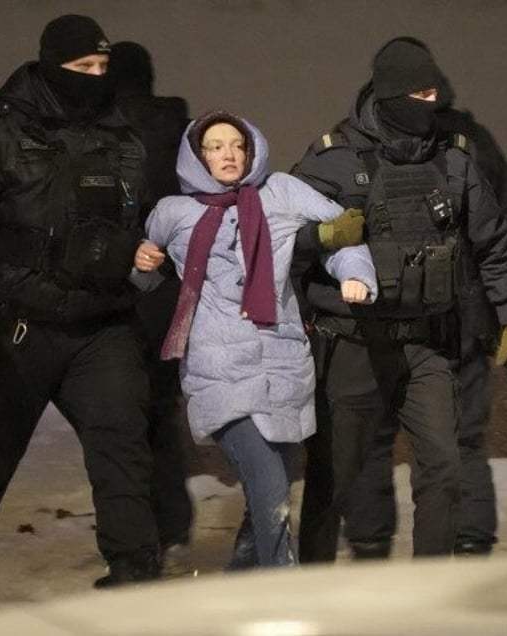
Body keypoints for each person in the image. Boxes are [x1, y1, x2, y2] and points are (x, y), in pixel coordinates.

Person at [0, 14, 161, 624]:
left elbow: (137, 217)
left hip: (101, 323)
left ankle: (134, 579)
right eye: (82, 69)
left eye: (103, 68)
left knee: (123, 449)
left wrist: (142, 250)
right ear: (51, 67)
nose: (94, 79)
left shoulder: (124, 136)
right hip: (19, 321)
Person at [291, 37, 507, 559]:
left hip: (428, 342)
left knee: (444, 469)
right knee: (335, 475)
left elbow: (494, 243)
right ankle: (305, 584)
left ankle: (429, 590)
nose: (430, 105)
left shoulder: (453, 160)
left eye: (433, 93)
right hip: (354, 342)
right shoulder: (333, 159)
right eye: (418, 94)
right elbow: (279, 239)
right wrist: (323, 239)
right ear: (392, 95)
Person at [139, 110, 377, 568]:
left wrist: (355, 276)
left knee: (275, 485)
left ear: (252, 151)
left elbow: (344, 236)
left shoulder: (281, 192)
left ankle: (241, 589)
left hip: (282, 362)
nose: (228, 154)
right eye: (215, 146)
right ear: (197, 156)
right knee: (269, 489)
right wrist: (142, 260)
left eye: (237, 145)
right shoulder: (174, 212)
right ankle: (281, 595)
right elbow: (144, 276)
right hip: (218, 366)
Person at [109, 40, 195, 570]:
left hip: (122, 290)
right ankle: (171, 519)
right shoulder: (180, 133)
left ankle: (144, 539)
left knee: (123, 421)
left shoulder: (107, 135)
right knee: (160, 410)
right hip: (171, 291)